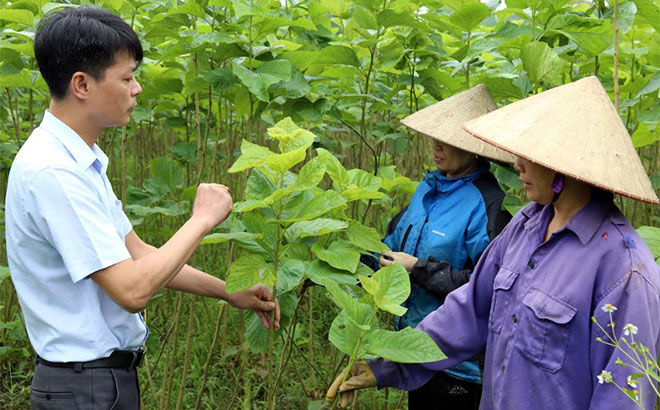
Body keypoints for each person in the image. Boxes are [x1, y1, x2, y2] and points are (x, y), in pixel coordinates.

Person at [327, 76, 660, 410]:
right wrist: (385, 364)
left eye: (530, 154)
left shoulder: (625, 270)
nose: (516, 164)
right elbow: (467, 313)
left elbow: (624, 397)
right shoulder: (524, 228)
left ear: (567, 166)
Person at [4, 6, 279, 409]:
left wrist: (228, 291)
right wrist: (200, 220)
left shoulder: (78, 161)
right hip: (84, 389)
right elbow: (132, 290)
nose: (137, 90)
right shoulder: (54, 172)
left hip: (96, 383)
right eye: (127, 78)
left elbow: (139, 254)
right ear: (81, 84)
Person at [368, 85, 514, 409]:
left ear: (473, 147)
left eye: (448, 139)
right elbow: (392, 242)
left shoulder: (488, 204)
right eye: (436, 136)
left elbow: (486, 287)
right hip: (416, 348)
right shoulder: (428, 186)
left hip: (458, 367)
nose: (436, 145)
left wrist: (415, 268)